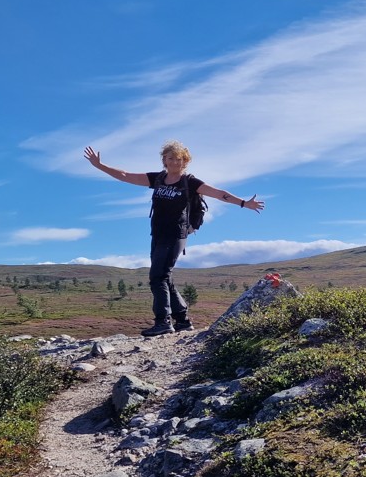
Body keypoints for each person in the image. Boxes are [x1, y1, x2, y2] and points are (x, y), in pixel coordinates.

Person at [84, 141, 265, 336]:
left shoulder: (190, 182)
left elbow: (219, 194)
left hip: (176, 235)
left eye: (178, 159)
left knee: (157, 277)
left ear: (185, 161)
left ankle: (163, 321)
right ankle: (183, 320)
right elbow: (126, 176)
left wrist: (244, 203)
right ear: (164, 160)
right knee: (165, 277)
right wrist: (100, 166)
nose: (174, 162)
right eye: (170, 158)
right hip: (158, 234)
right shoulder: (158, 179)